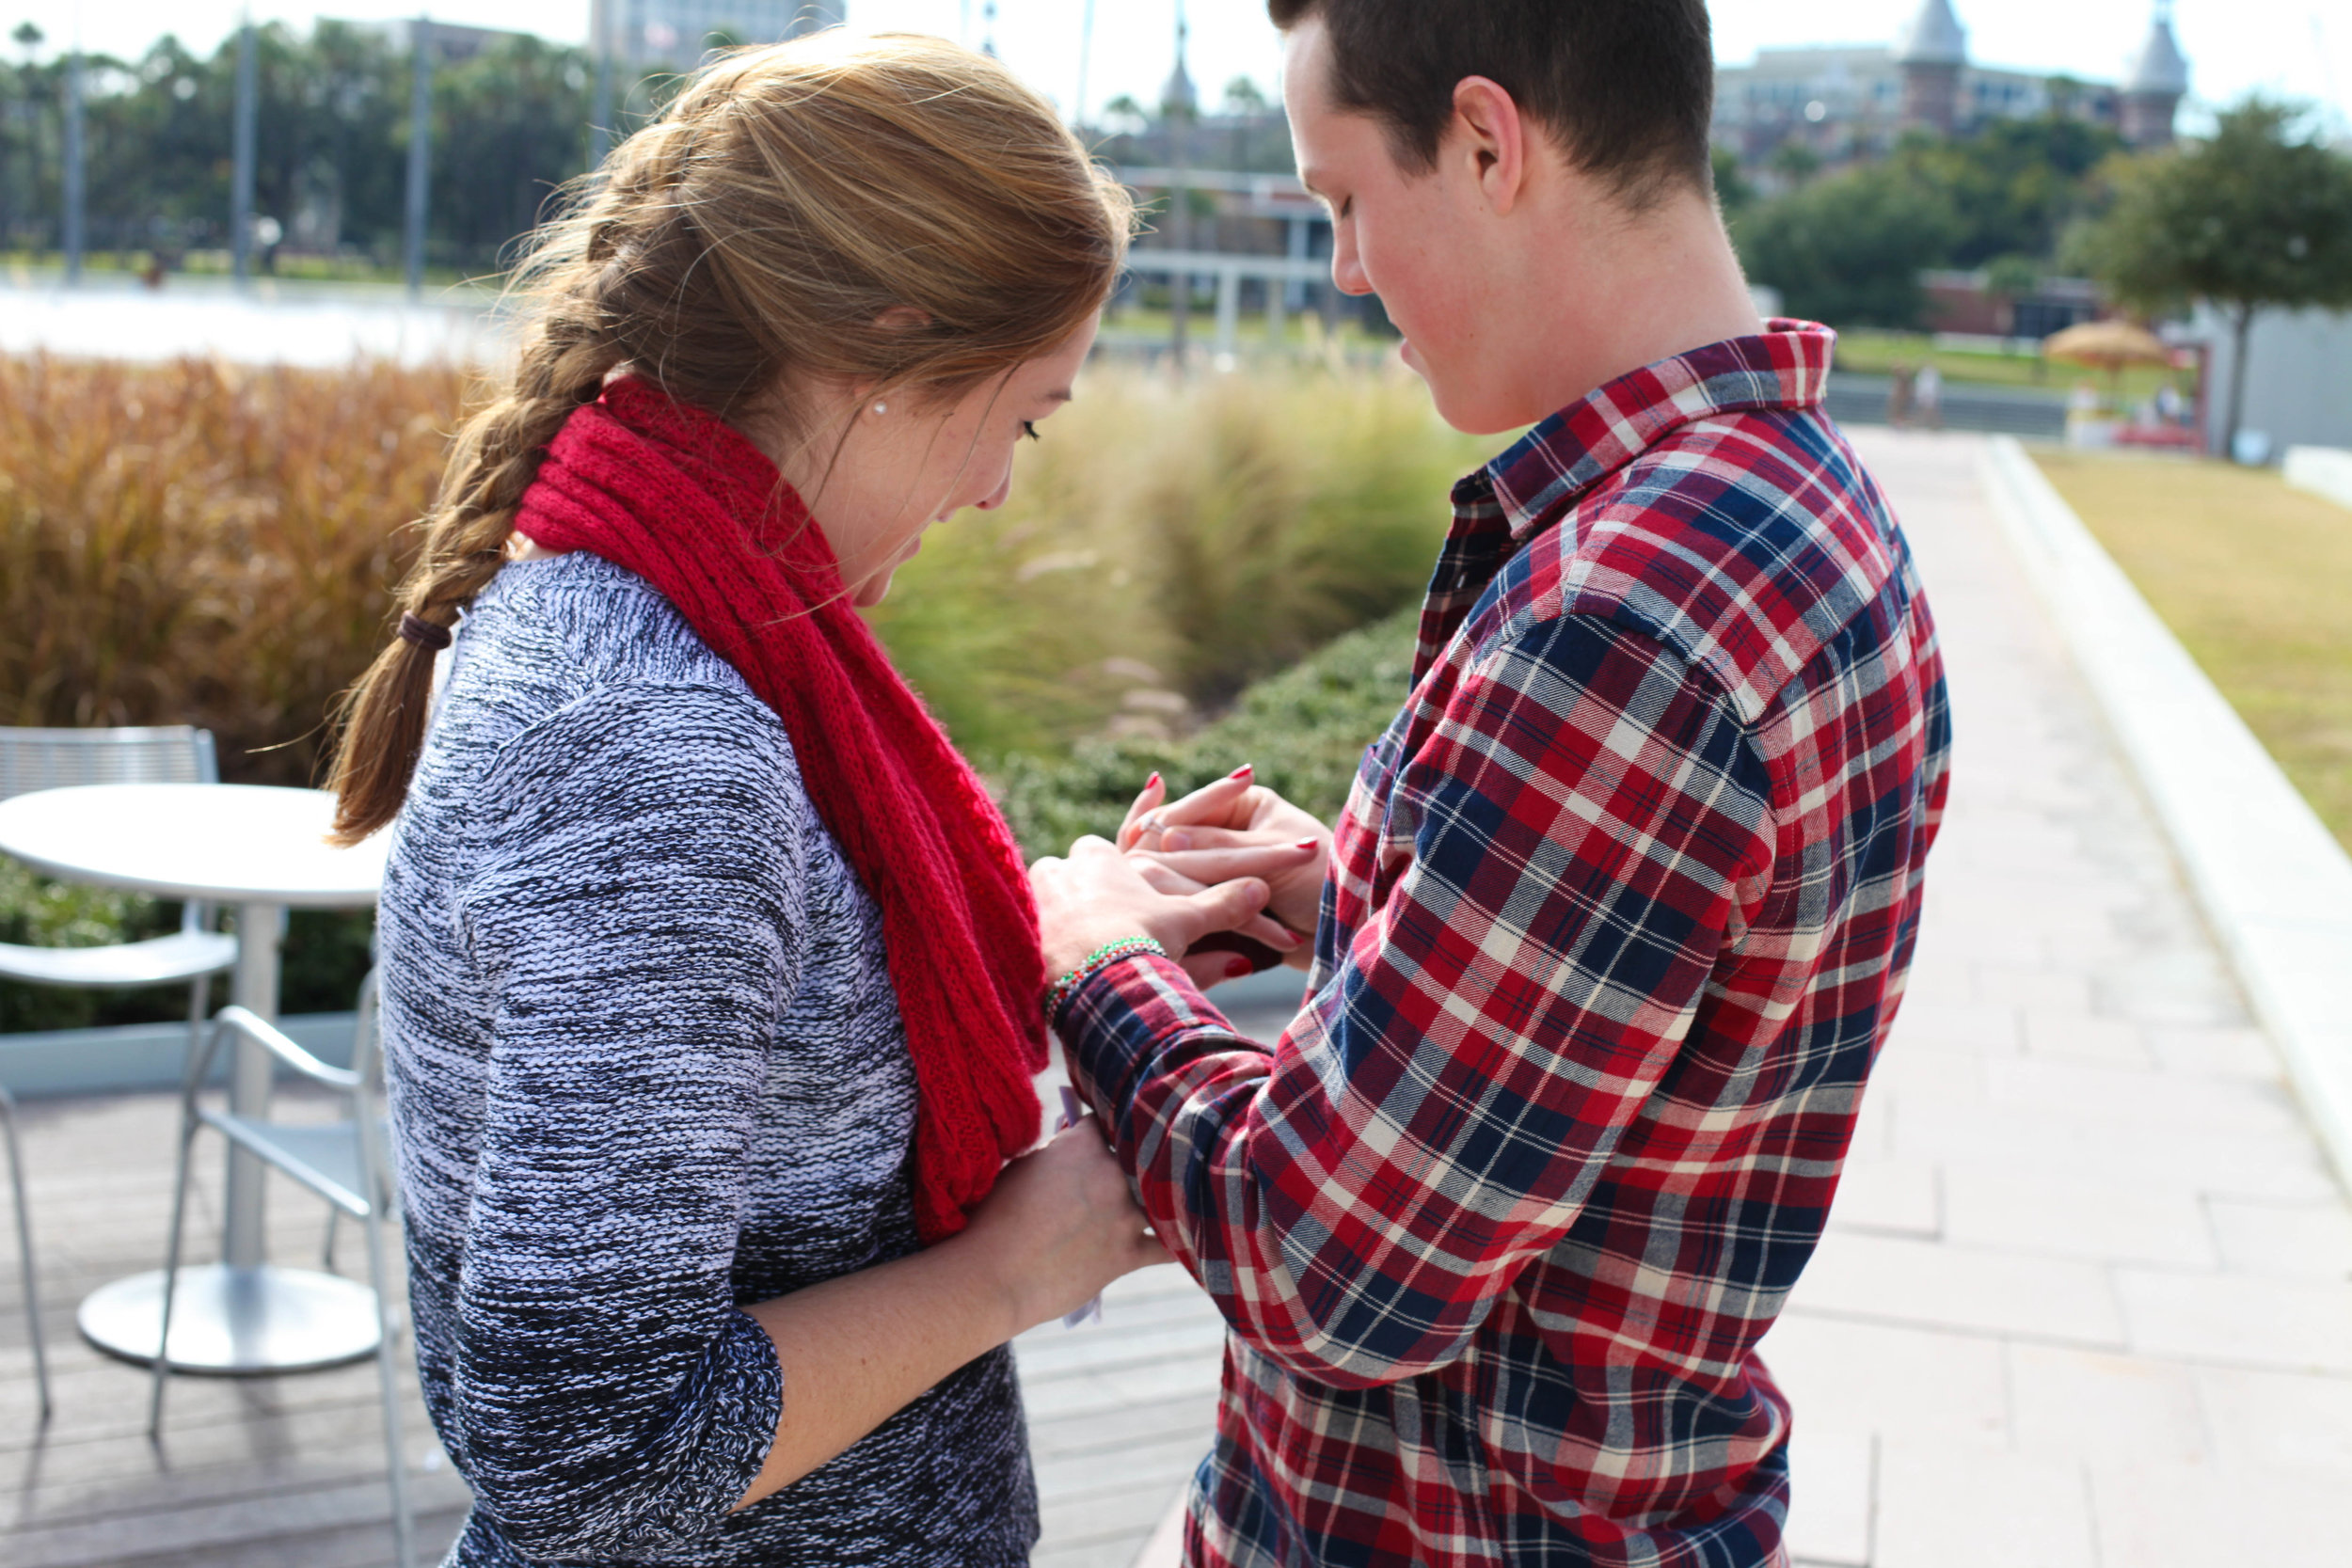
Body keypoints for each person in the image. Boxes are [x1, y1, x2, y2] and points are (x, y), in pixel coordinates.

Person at [1028, 3, 1953, 1565]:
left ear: (1484, 141)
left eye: (1341, 199)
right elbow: (1661, 1019)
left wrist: (1094, 956)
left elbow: (1329, 1260)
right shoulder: (1804, 510)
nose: (1343, 266)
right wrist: (1371, 900)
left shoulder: (1626, 619)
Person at [325, 34, 1249, 1567]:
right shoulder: (647, 747)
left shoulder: (664, 630)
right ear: (888, 346)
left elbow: (746, 1029)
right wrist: (1023, 1268)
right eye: (1019, 417)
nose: (998, 489)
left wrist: (1046, 923)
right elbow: (586, 1459)